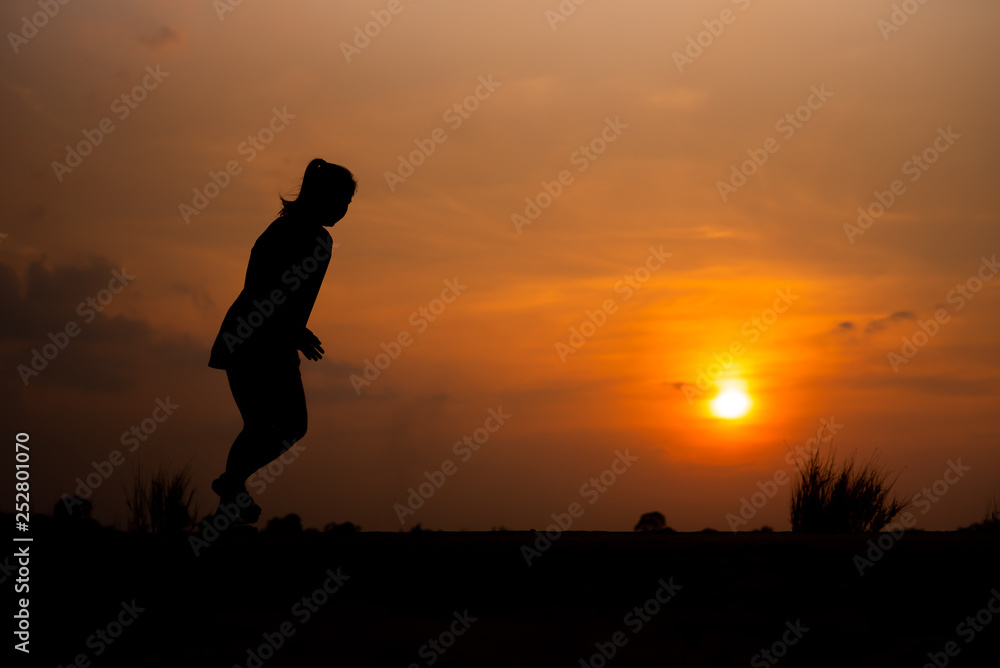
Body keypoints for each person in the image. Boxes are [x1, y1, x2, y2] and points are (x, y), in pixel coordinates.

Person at [207, 158, 356, 526]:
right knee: (268, 427)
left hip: (275, 342)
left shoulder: (316, 238)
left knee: (280, 427)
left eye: (348, 202)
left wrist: (292, 332)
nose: (345, 208)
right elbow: (261, 292)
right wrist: (295, 331)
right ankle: (230, 495)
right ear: (322, 197)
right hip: (249, 340)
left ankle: (230, 491)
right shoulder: (288, 234)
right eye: (342, 199)